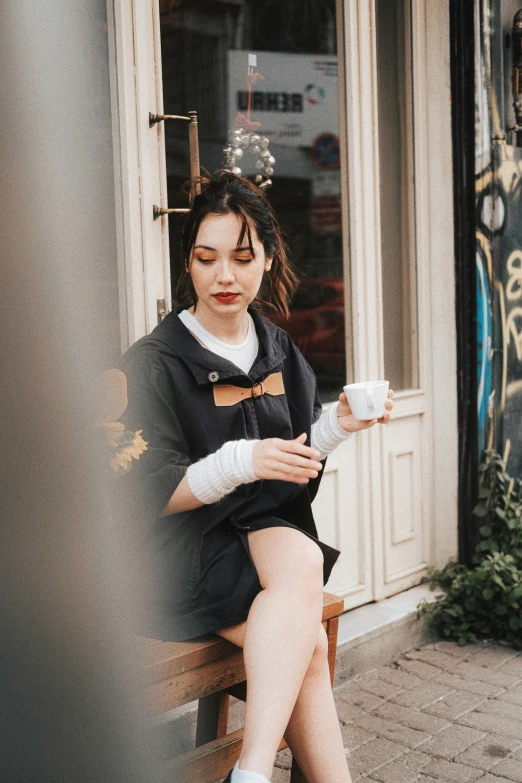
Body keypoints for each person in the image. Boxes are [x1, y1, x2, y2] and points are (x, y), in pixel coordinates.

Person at [119, 171, 394, 783]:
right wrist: (242, 461)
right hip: (177, 553)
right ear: (187, 263)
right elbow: (142, 494)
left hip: (251, 540)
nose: (225, 277)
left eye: (242, 259)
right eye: (206, 258)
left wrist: (336, 427)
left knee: (294, 557)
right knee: (309, 641)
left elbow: (291, 464)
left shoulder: (274, 347)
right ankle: (256, 772)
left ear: (267, 261)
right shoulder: (154, 364)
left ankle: (249, 772)